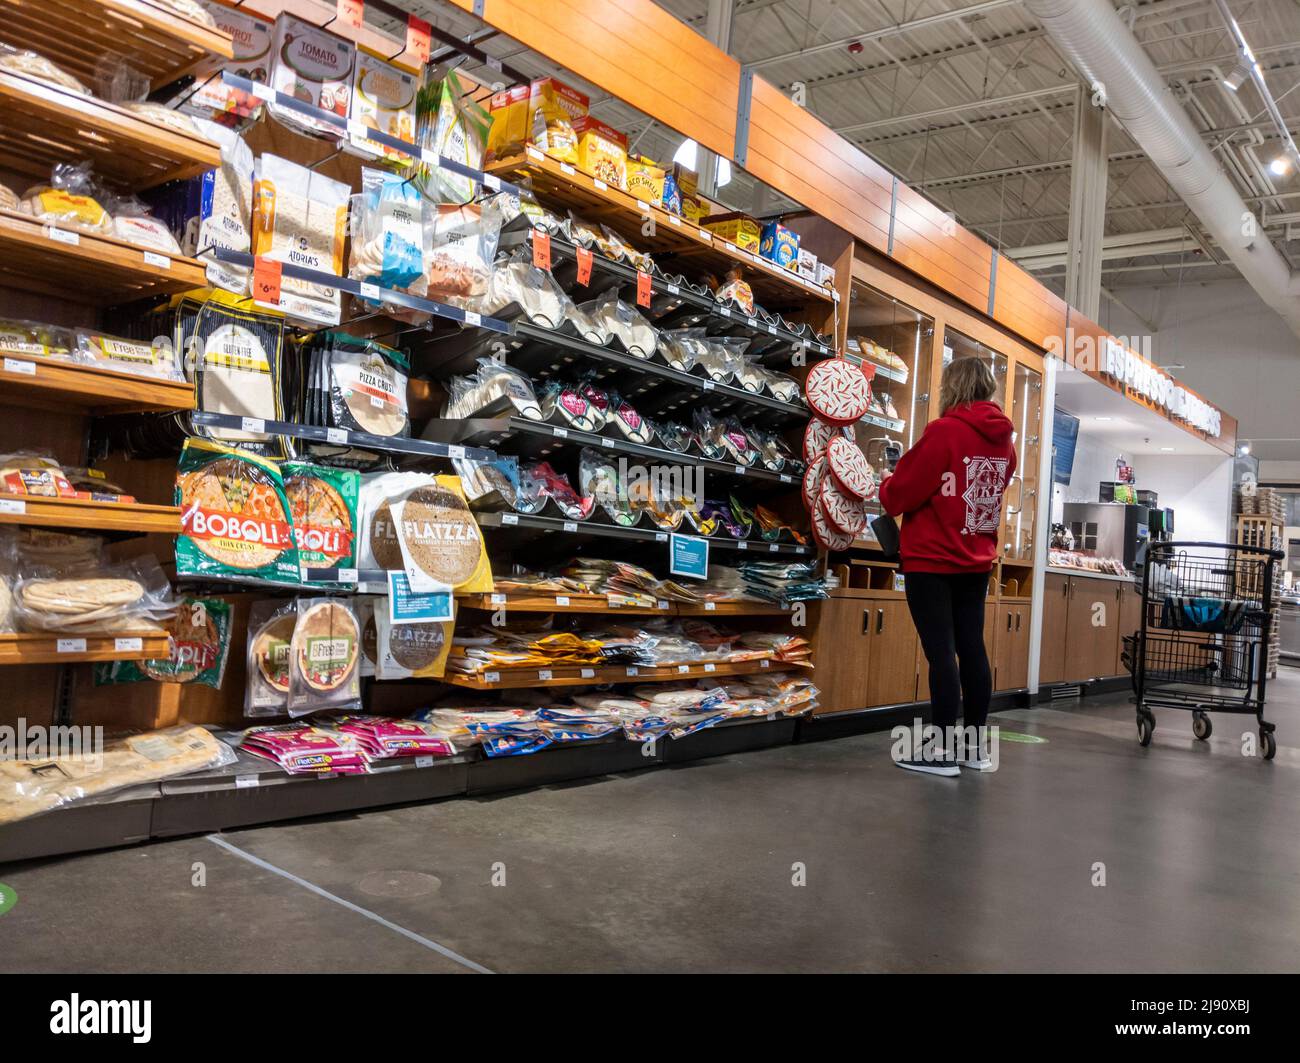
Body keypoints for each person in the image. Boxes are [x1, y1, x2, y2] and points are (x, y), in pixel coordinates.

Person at [878, 356, 1017, 777]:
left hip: (932, 559)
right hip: (976, 562)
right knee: (972, 649)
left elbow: (900, 495)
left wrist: (886, 481)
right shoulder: (1005, 441)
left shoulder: (943, 432)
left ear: (951, 388)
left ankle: (939, 751)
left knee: (941, 655)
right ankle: (974, 748)